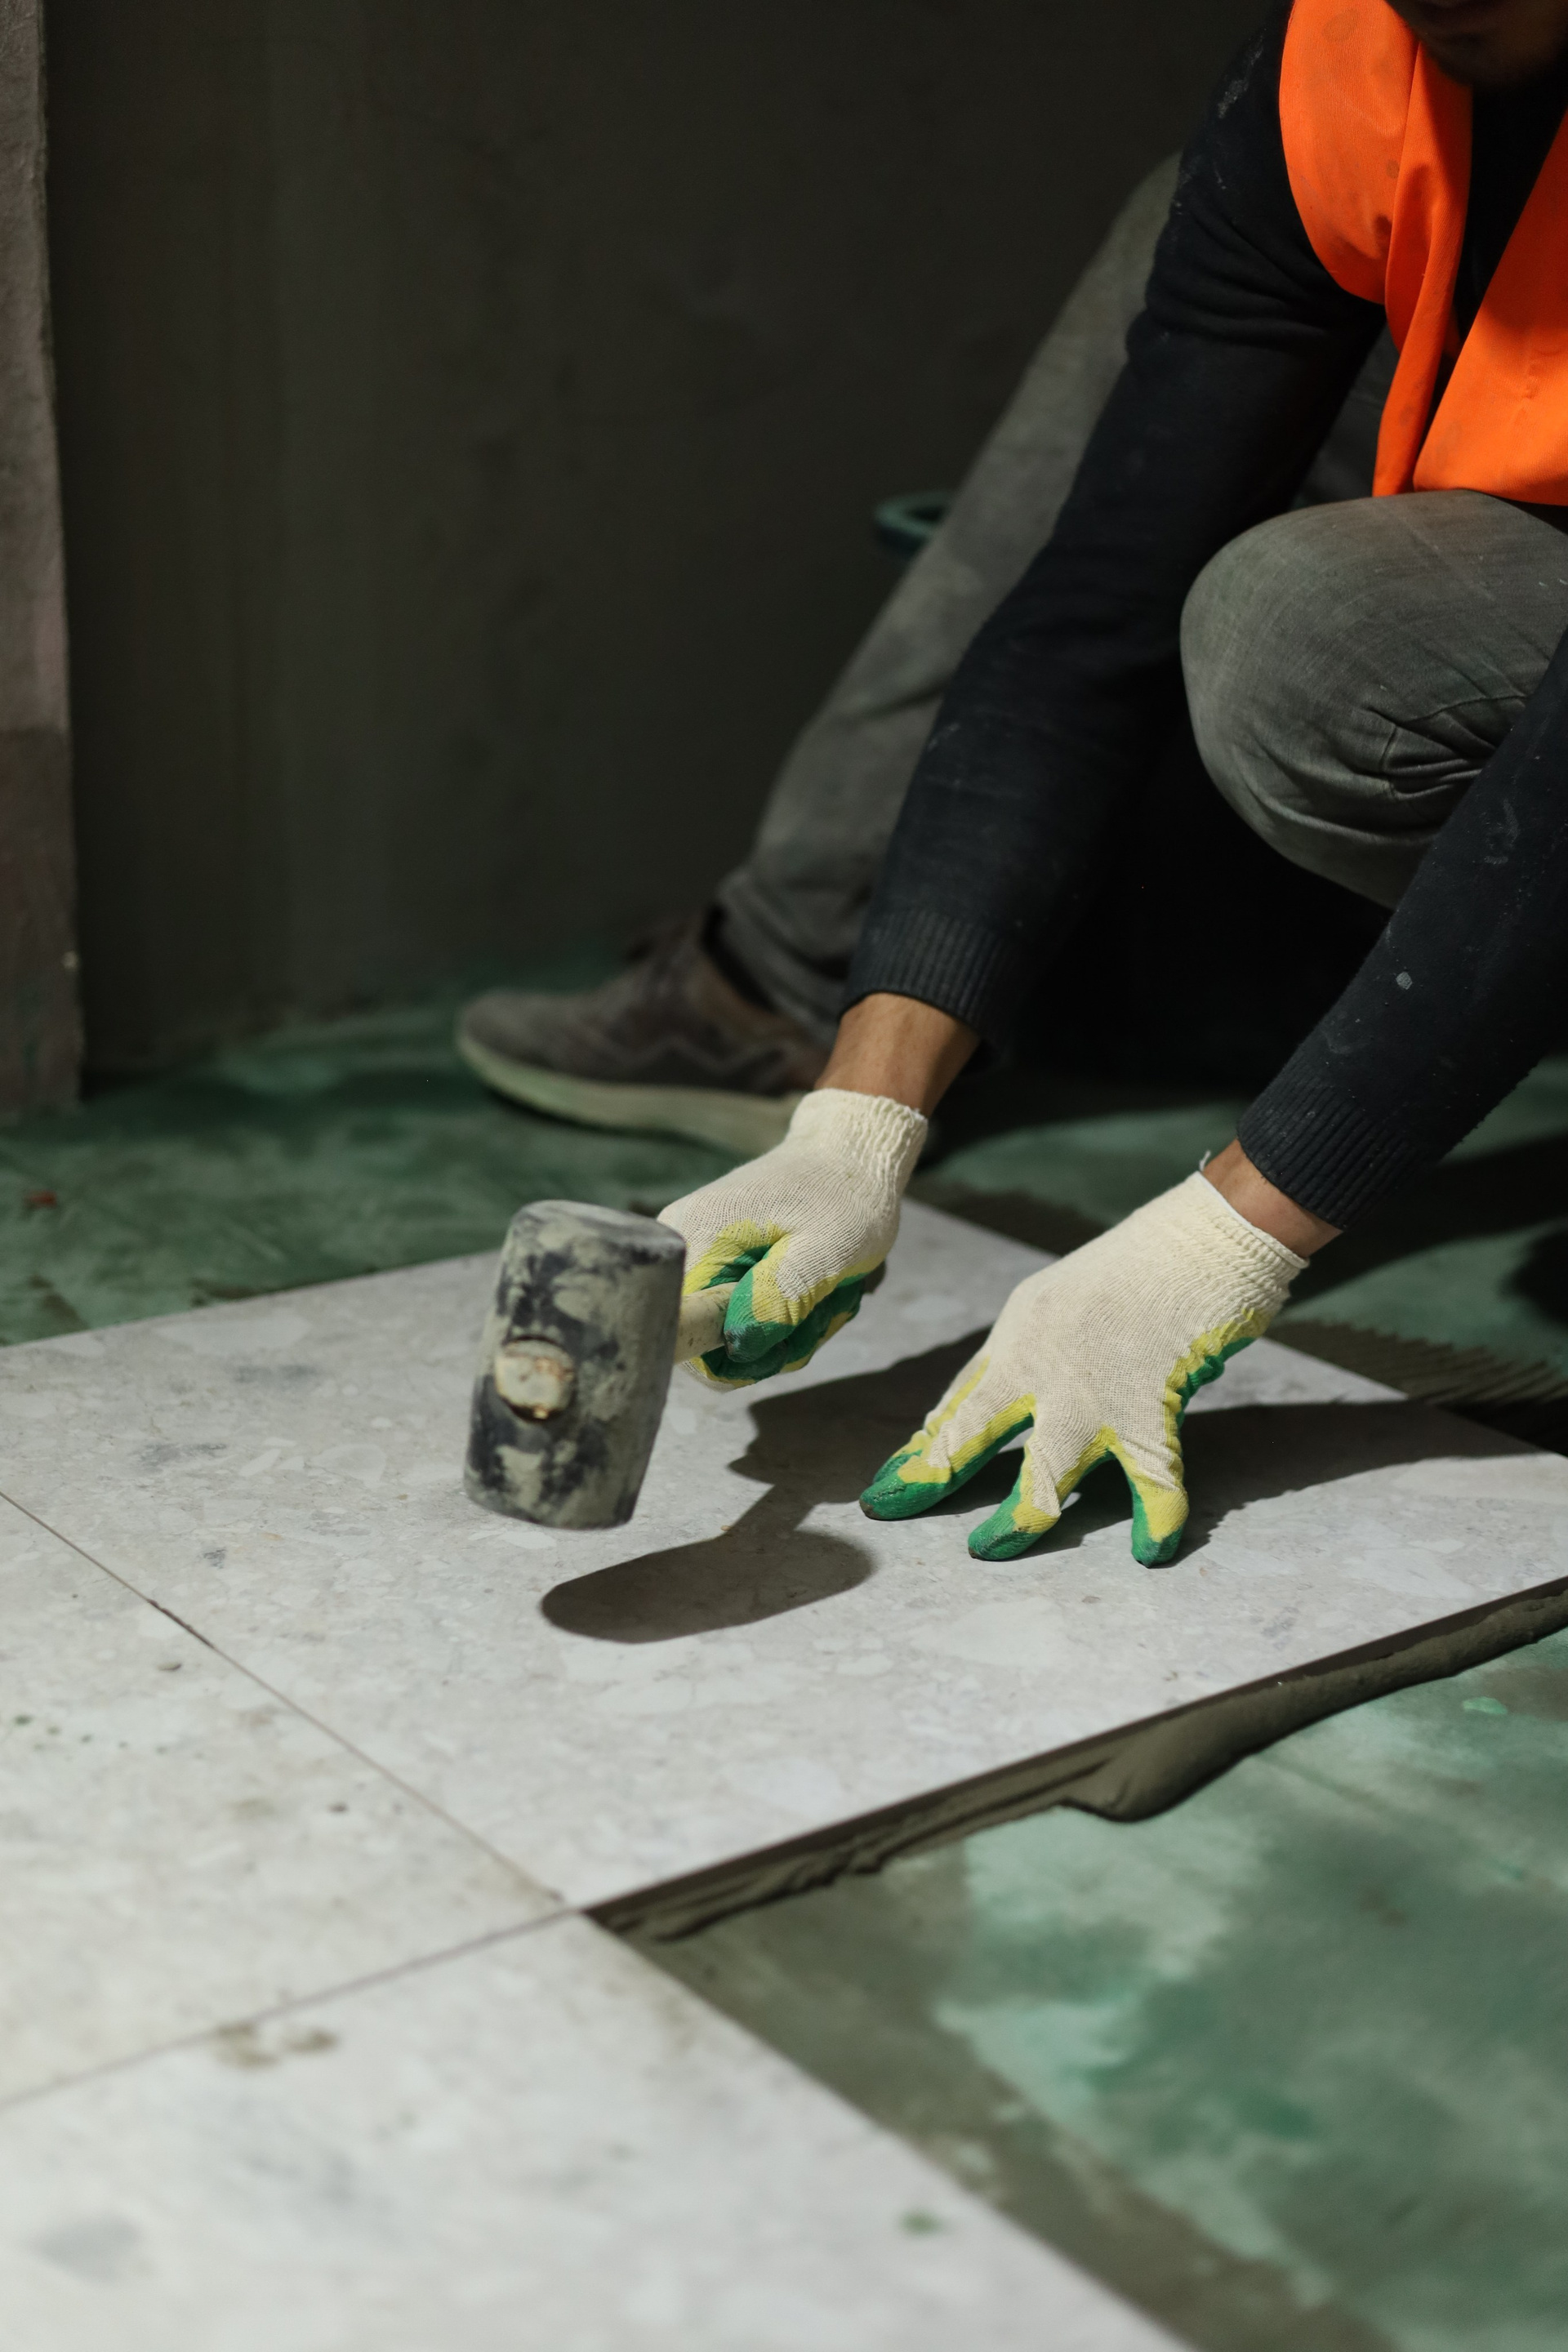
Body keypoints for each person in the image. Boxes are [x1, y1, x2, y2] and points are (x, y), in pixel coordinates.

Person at [486, 0, 1568, 1567]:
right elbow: (1096, 603)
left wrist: (1222, 1240)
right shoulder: (1347, 64)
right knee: (1307, 643)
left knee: (1305, 647)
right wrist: (857, 1123)